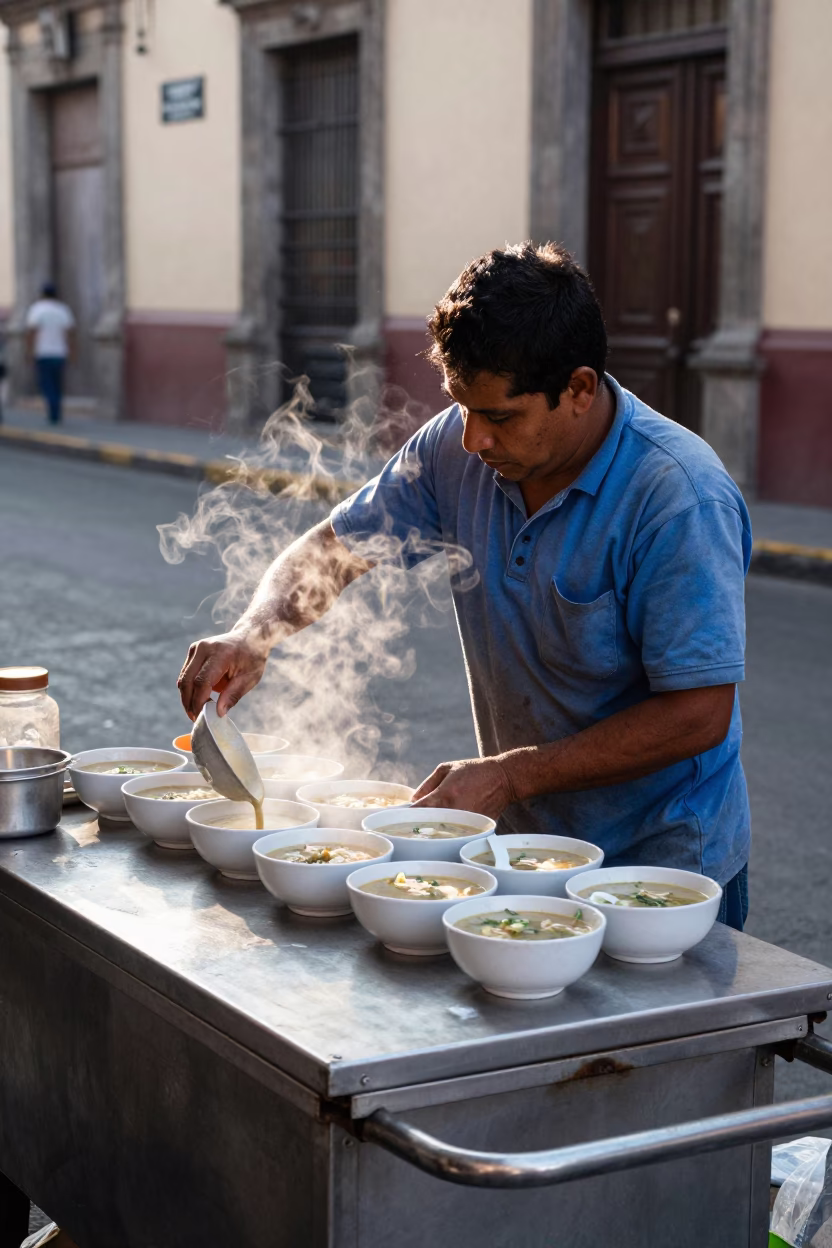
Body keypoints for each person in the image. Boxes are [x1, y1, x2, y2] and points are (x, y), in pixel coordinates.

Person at [177, 243, 752, 931]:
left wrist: (510, 775)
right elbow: (334, 547)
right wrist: (254, 631)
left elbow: (698, 714)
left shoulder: (679, 497)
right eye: (460, 405)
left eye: (501, 417)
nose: (474, 438)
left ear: (578, 390)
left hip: (659, 872)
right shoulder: (455, 443)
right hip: (521, 853)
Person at [25, 283, 75, 425]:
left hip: (43, 352)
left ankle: (53, 413)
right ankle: (56, 411)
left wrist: (29, 352)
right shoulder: (63, 310)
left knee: (47, 384)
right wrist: (72, 352)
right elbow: (70, 332)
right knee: (57, 383)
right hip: (59, 352)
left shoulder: (37, 310)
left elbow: (31, 332)